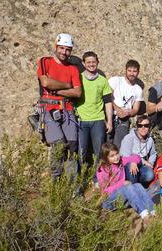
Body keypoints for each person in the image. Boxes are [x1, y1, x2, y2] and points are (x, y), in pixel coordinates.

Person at [37, 33, 82, 179]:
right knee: (58, 145)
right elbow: (45, 82)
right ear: (56, 46)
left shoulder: (73, 69)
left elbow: (77, 92)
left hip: (67, 109)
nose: (64, 52)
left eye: (68, 49)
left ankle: (72, 185)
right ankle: (56, 183)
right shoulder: (45, 61)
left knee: (72, 146)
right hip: (49, 109)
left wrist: (55, 88)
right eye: (61, 48)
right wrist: (67, 85)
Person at [97, 143, 155, 226]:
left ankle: (153, 211)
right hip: (109, 201)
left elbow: (137, 157)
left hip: (122, 198)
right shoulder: (102, 170)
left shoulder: (120, 161)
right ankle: (145, 215)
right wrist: (122, 183)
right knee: (128, 188)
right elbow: (105, 191)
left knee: (137, 185)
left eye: (117, 153)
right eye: (112, 156)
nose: (116, 157)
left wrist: (133, 162)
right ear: (106, 158)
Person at [76, 51, 113, 165]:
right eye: (88, 62)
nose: (91, 64)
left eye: (93, 62)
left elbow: (107, 102)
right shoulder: (78, 78)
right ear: (83, 63)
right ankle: (82, 180)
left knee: (99, 152)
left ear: (97, 62)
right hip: (81, 120)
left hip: (98, 120)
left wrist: (109, 121)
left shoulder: (102, 80)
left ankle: (98, 179)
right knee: (81, 152)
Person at [108, 60, 144, 148]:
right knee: (107, 144)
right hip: (110, 115)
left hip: (124, 119)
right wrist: (117, 109)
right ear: (126, 70)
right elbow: (107, 96)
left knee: (118, 146)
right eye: (129, 70)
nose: (132, 73)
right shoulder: (116, 80)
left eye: (134, 71)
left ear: (138, 72)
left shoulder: (138, 89)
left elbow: (135, 109)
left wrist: (128, 112)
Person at [120, 115, 156, 186]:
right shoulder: (129, 138)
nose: (143, 128)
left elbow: (153, 153)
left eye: (146, 125)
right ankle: (133, 188)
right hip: (128, 165)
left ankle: (137, 184)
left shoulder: (150, 140)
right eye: (140, 125)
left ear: (149, 127)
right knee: (132, 167)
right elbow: (124, 156)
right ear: (137, 127)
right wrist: (143, 161)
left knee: (150, 174)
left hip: (141, 166)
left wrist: (150, 163)